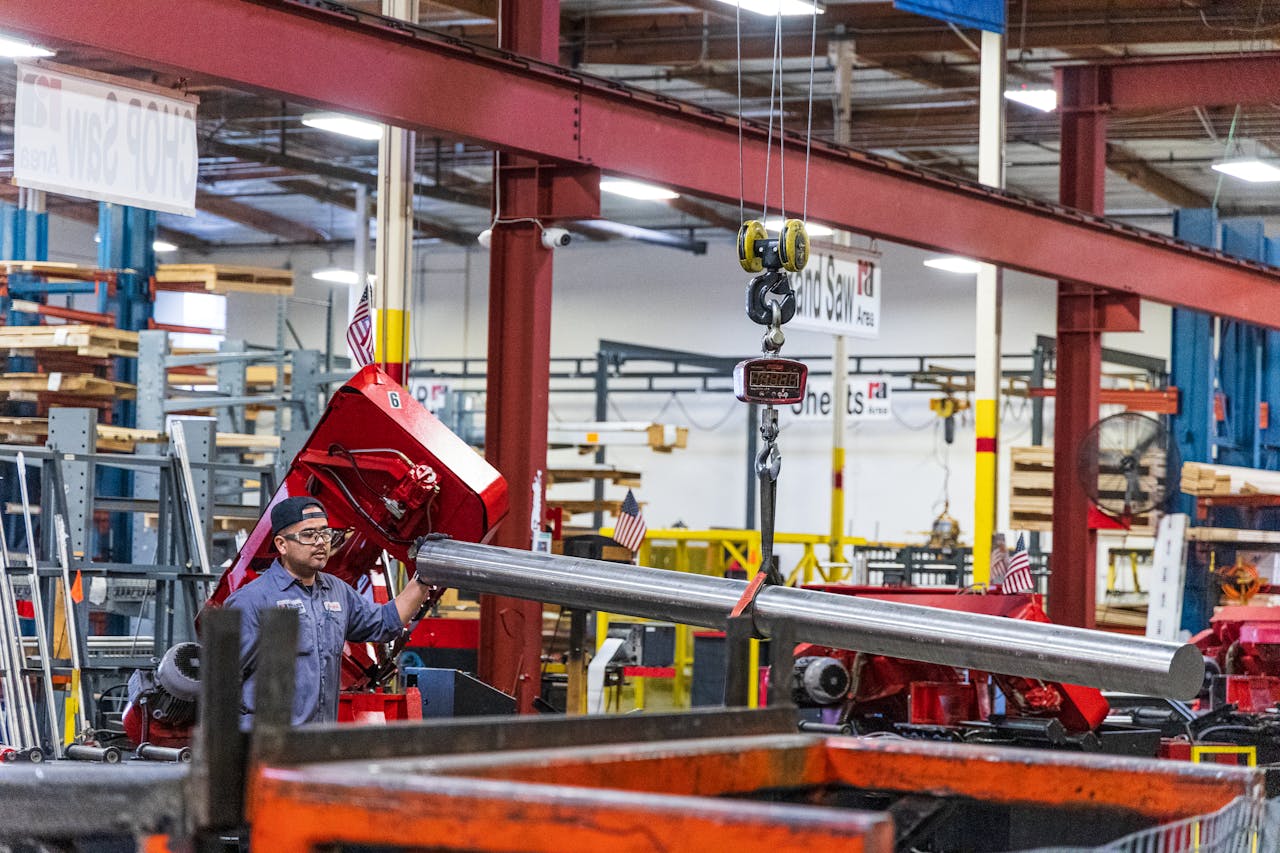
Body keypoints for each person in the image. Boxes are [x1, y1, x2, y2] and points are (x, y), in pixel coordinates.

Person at [224, 495, 434, 726]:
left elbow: (385, 623)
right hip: (268, 747)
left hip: (318, 744)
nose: (320, 542)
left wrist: (423, 576)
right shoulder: (252, 601)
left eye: (325, 533)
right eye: (308, 535)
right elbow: (221, 684)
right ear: (281, 544)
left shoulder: (336, 592)